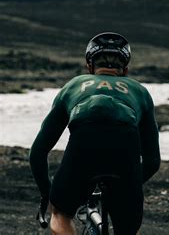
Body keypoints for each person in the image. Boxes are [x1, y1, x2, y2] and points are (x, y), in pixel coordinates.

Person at [30, 32, 160, 235]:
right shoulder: (140, 91)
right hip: (125, 145)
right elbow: (153, 160)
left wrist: (48, 193)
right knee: (128, 229)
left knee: (61, 214)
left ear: (89, 67)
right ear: (125, 69)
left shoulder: (73, 85)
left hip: (85, 139)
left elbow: (38, 152)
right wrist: (127, 185)